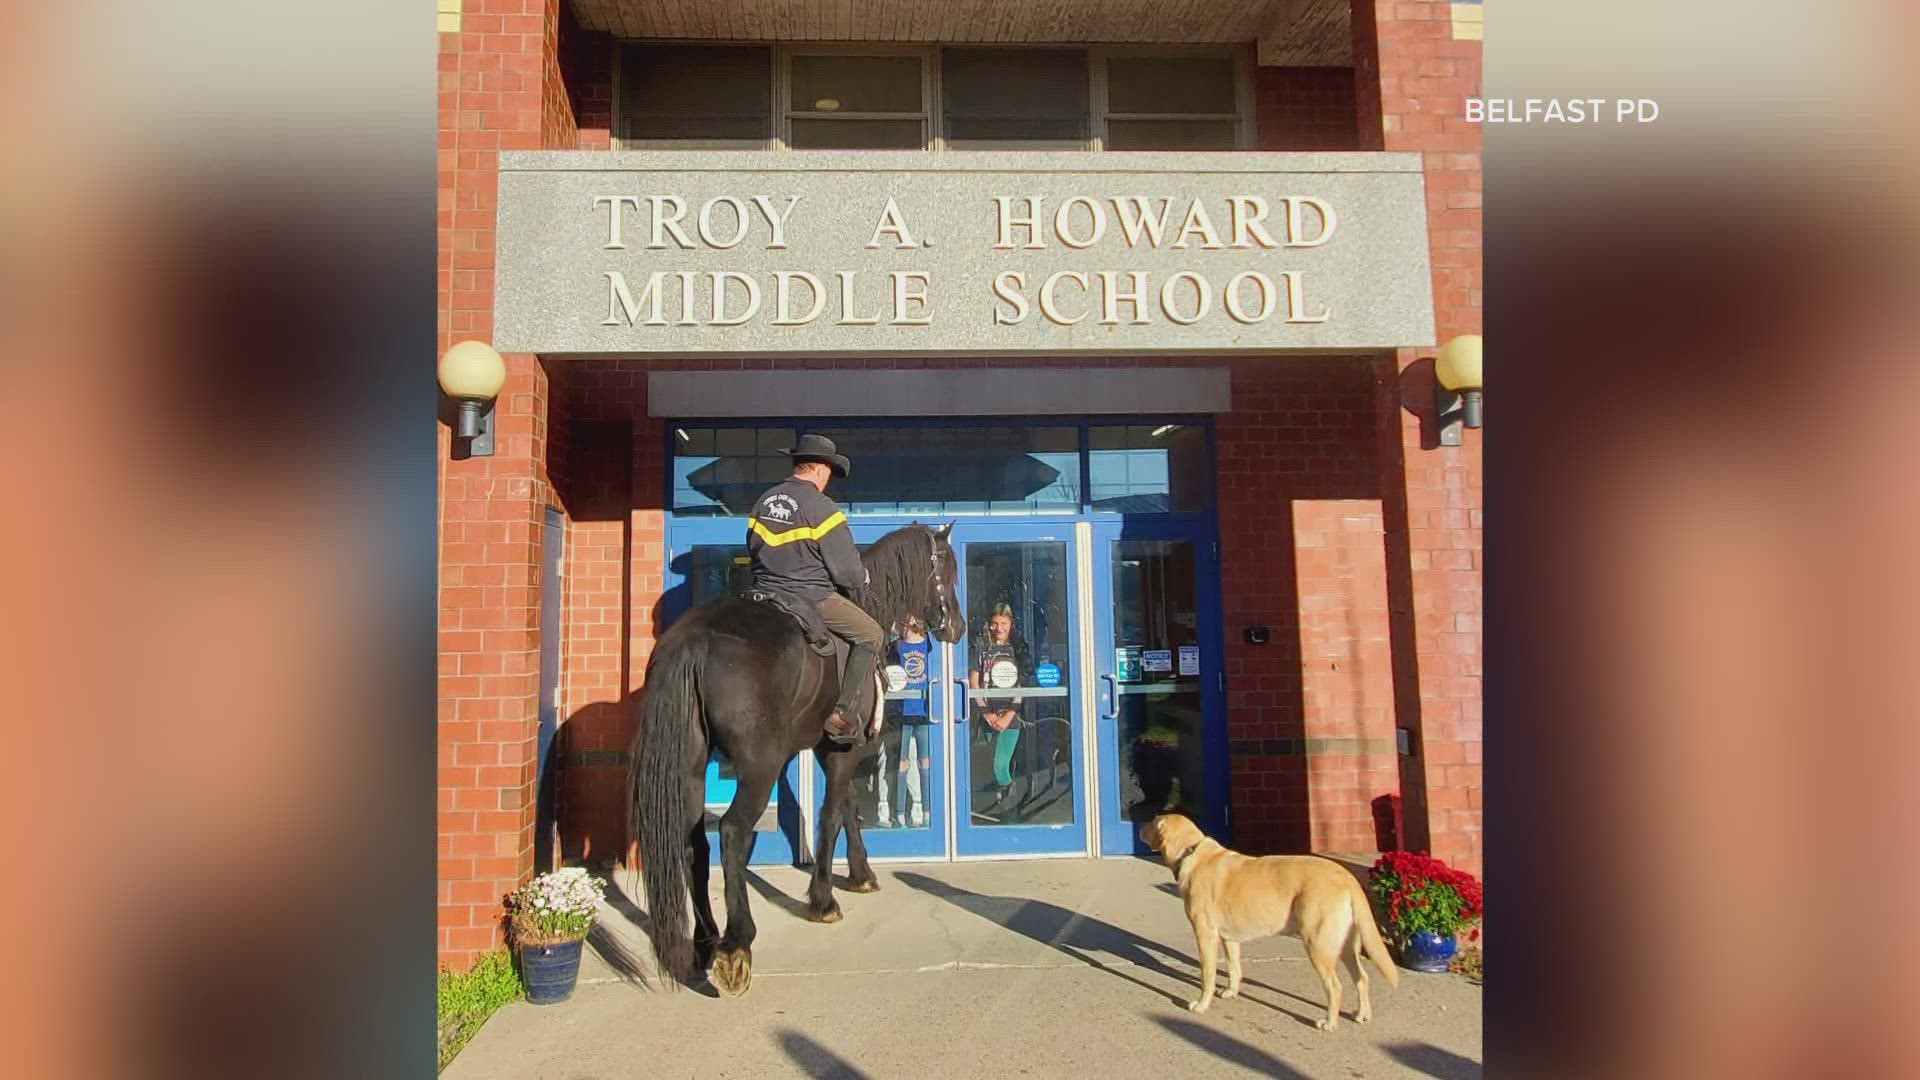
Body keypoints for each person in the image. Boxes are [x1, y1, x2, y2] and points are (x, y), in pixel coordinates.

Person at [746, 434, 883, 746]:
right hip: (810, 597)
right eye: (829, 475)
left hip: (763, 593)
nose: (828, 481)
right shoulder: (822, 507)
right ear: (821, 469)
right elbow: (846, 573)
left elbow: (753, 548)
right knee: (871, 634)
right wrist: (863, 576)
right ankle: (843, 712)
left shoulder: (763, 502)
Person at [970, 602, 1032, 818]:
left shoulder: (1018, 649)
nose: (999, 628)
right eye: (995, 623)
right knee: (985, 767)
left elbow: (1021, 686)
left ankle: (1010, 809)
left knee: (1000, 766)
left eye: (1004, 623)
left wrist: (1009, 715)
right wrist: (986, 713)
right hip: (986, 715)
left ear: (1011, 624)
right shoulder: (981, 648)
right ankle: (995, 805)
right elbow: (974, 683)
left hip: (1010, 717)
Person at [889, 616, 935, 829]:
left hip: (925, 713)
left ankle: (927, 811)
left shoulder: (930, 644)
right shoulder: (896, 646)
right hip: (902, 712)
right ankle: (899, 813)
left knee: (926, 764)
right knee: (901, 764)